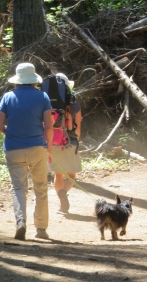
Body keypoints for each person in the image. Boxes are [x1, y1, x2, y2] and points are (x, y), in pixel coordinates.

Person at [0, 62, 53, 240]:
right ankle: (41, 228)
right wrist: (48, 147)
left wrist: (11, 134)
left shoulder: (7, 97)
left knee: (19, 187)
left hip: (13, 148)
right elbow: (49, 126)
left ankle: (21, 221)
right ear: (34, 80)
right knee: (40, 188)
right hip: (37, 147)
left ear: (17, 80)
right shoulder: (43, 97)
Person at [47, 73, 82, 213]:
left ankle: (61, 200)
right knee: (71, 175)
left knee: (58, 174)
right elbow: (77, 125)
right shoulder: (74, 104)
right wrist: (76, 141)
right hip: (70, 141)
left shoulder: (47, 101)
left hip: (53, 140)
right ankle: (63, 195)